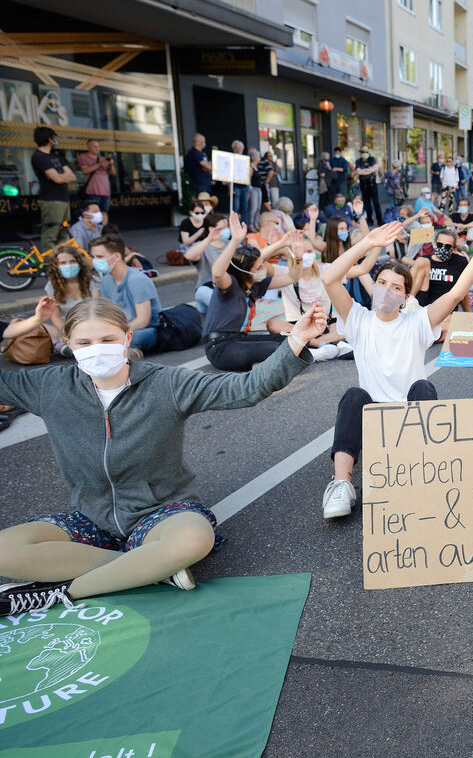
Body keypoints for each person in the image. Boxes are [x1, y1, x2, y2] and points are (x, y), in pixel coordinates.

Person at [0, 297, 326, 617]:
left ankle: (61, 592)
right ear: (68, 343)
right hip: (90, 520)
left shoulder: (166, 383)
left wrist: (296, 339)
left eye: (107, 339)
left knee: (194, 540)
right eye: (84, 342)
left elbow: (247, 388)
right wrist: (20, 327)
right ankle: (150, 569)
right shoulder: (50, 386)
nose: (96, 349)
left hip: (161, 514)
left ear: (127, 338)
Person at [317, 222, 473, 519]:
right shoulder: (358, 319)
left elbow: (456, 293)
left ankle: (428, 476)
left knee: (423, 387)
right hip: (372, 422)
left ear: (406, 296)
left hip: (412, 420)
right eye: (382, 283)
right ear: (374, 286)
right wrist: (368, 243)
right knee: (353, 395)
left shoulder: (417, 322)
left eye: (396, 287)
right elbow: (330, 278)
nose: (387, 291)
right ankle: (342, 484)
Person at [202, 217, 305, 372]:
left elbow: (292, 278)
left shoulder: (257, 283)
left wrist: (298, 257)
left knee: (294, 342)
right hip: (220, 347)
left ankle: (263, 364)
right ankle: (262, 367)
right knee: (279, 350)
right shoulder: (230, 284)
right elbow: (217, 273)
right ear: (246, 272)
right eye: (259, 267)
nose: (264, 268)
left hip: (241, 339)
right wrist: (235, 241)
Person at [89, 234, 161, 353]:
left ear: (117, 256)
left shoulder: (137, 279)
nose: (95, 261)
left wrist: (112, 335)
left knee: (134, 339)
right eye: (93, 256)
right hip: (122, 330)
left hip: (147, 330)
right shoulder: (106, 280)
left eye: (99, 257)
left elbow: (143, 321)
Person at [31, 126, 75, 250]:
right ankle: (48, 265)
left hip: (63, 199)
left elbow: (72, 176)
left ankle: (60, 261)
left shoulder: (55, 156)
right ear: (50, 139)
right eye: (54, 138)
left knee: (63, 233)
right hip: (51, 200)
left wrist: (60, 176)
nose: (56, 141)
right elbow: (58, 179)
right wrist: (61, 176)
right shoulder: (39, 156)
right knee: (51, 234)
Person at [77, 138, 115, 215]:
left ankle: (103, 227)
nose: (97, 148)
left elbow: (113, 173)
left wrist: (111, 164)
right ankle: (95, 227)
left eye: (98, 146)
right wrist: (100, 164)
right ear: (88, 147)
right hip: (93, 191)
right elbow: (85, 170)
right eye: (94, 146)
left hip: (105, 191)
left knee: (104, 212)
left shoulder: (103, 158)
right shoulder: (84, 157)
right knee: (93, 213)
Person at [355, 147, 383, 227]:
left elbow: (375, 169)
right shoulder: (358, 161)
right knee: (366, 203)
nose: (364, 153)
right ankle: (370, 220)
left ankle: (380, 221)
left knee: (376, 203)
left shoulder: (371, 159)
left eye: (366, 151)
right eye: (363, 152)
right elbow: (358, 171)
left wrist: (364, 171)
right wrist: (368, 170)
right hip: (363, 183)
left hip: (372, 182)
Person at [228, 140, 250, 223]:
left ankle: (245, 226)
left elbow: (248, 174)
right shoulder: (231, 159)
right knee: (235, 208)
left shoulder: (245, 159)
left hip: (245, 187)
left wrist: (249, 188)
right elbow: (228, 175)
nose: (238, 150)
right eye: (236, 148)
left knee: (245, 208)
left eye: (240, 148)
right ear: (233, 149)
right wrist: (230, 189)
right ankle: (234, 225)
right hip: (235, 186)